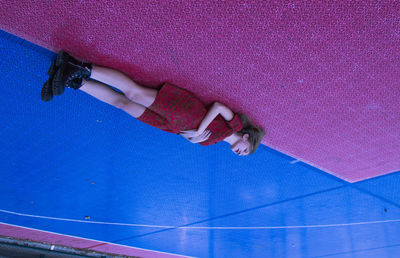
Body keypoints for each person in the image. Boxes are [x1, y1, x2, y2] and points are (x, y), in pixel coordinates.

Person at [41, 51, 265, 156]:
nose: (241, 154)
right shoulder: (234, 126)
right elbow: (218, 107)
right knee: (135, 93)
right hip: (189, 112)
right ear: (247, 138)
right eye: (246, 151)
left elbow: (186, 135)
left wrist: (192, 138)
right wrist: (199, 130)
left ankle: (76, 81)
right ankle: (79, 65)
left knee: (124, 104)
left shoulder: (210, 144)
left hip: (172, 126)